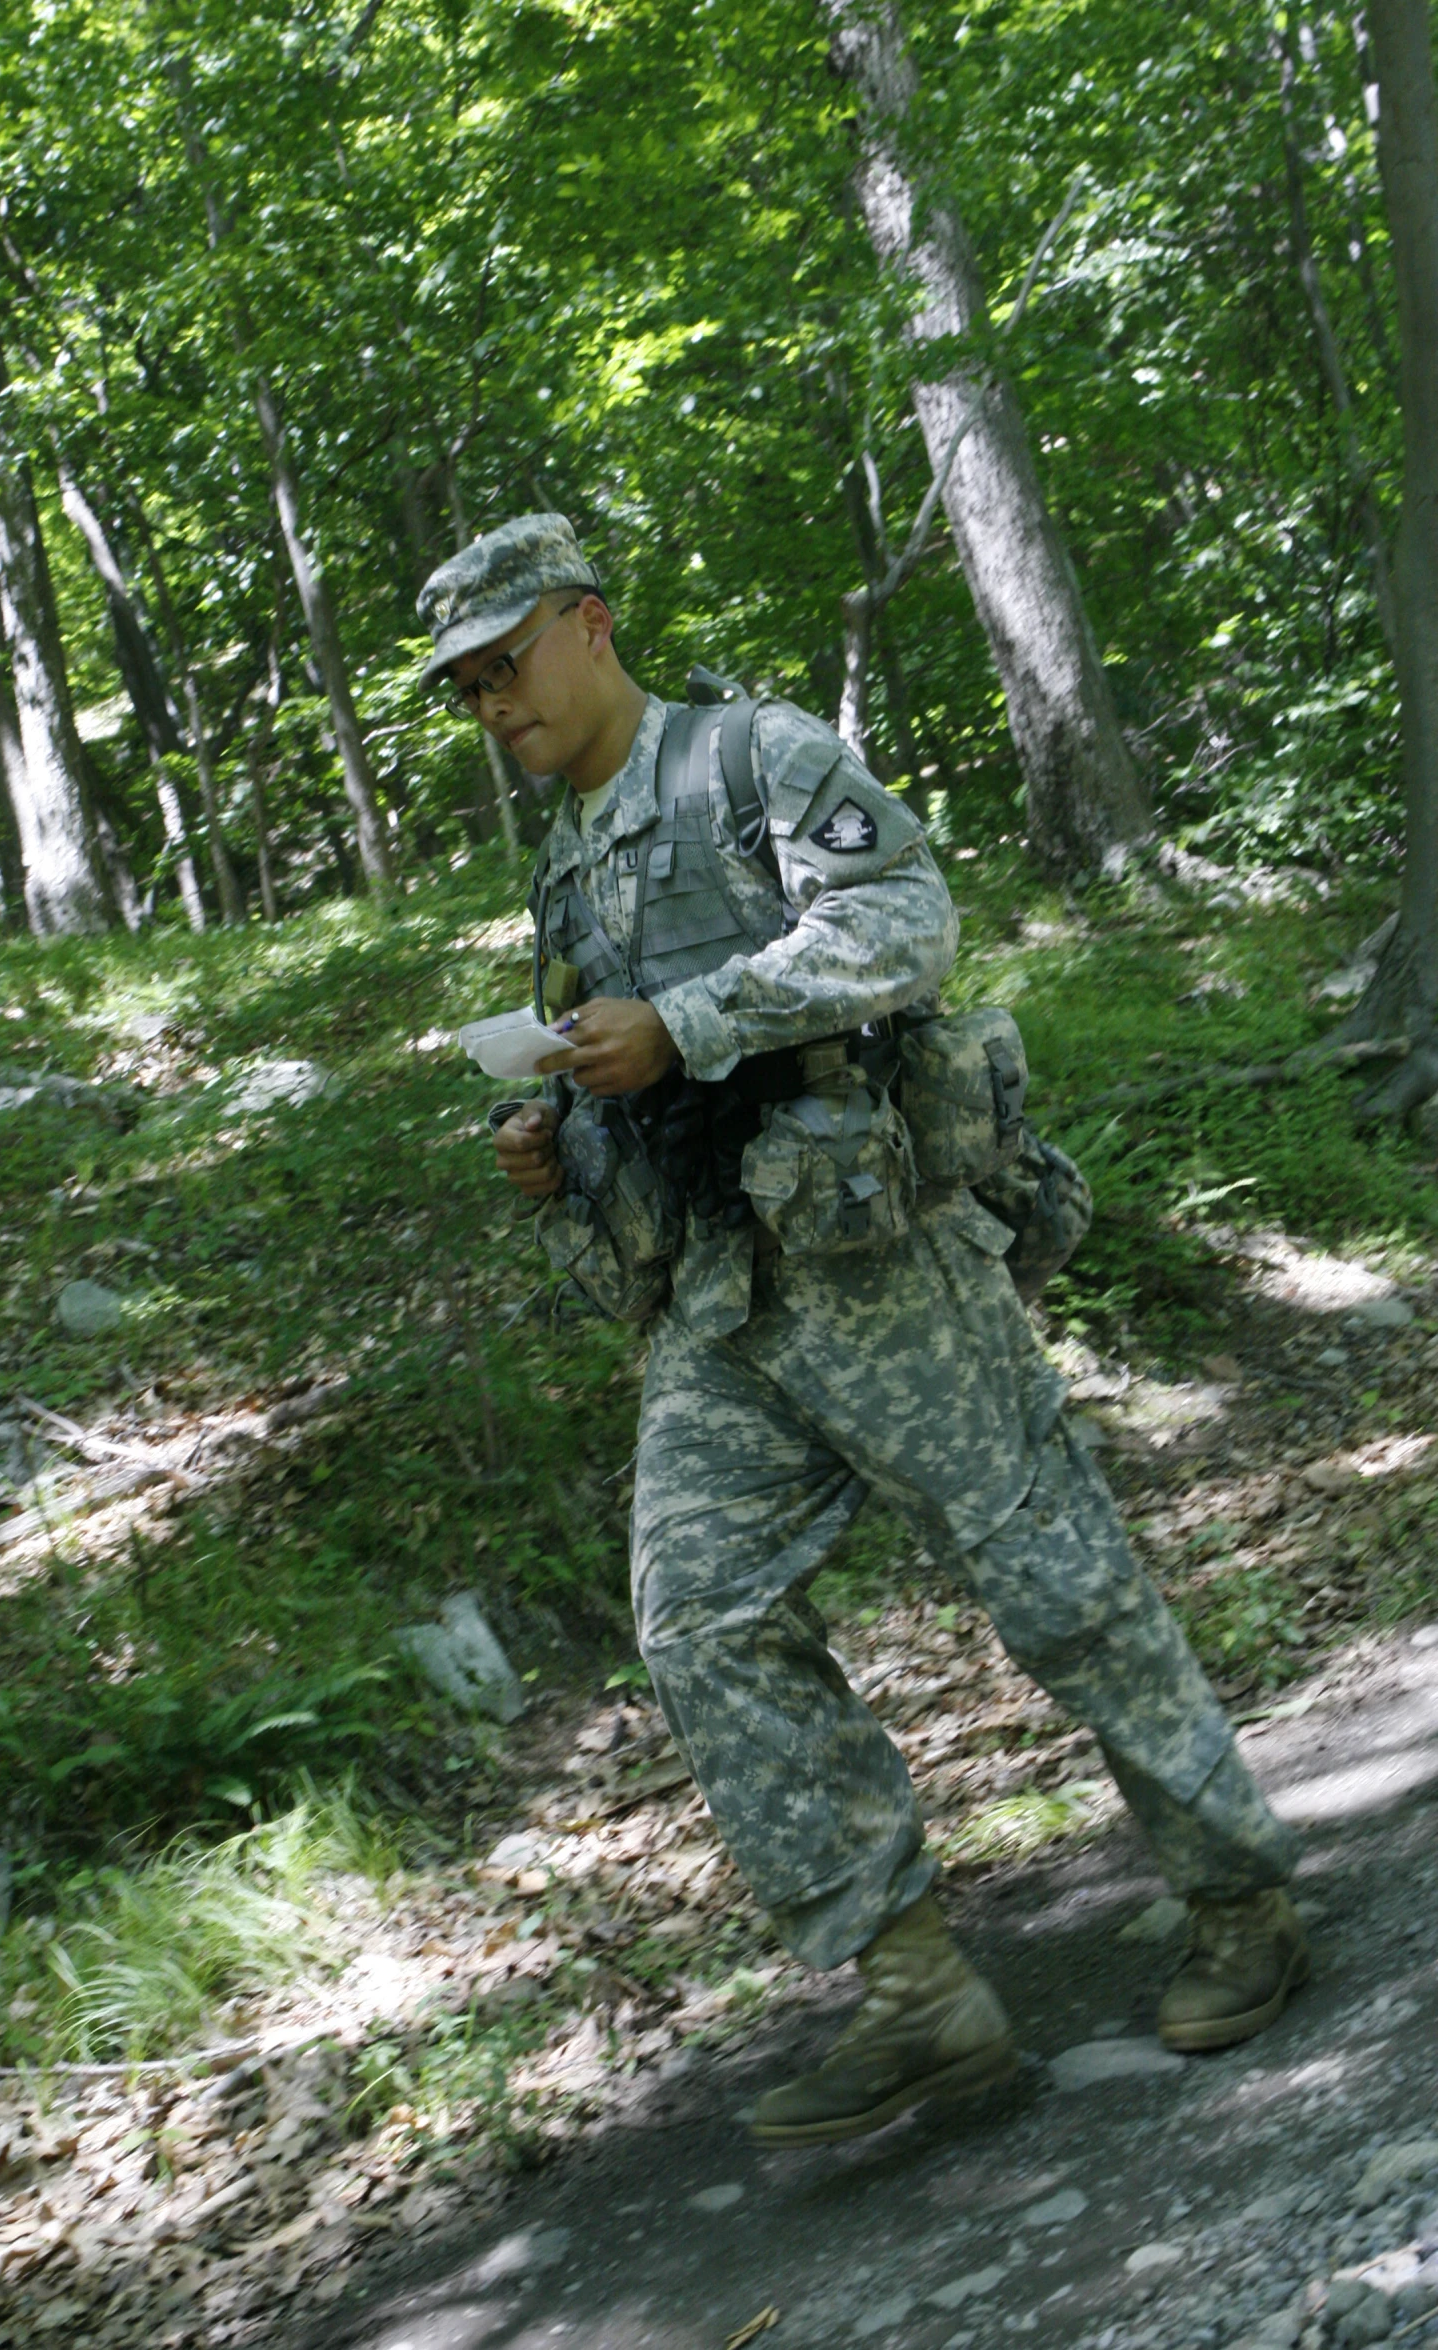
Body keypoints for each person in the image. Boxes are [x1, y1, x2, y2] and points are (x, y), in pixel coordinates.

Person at [417, 513, 1309, 2149]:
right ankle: (917, 1995)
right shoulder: (563, 857)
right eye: (463, 684)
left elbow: (902, 923)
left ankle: (1238, 1896)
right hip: (717, 1295)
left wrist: (682, 1023)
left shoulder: (752, 754)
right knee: (697, 1621)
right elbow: (609, 1063)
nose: (490, 700)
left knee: (1058, 1584)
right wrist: (557, 1138)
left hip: (879, 1257)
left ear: (589, 623)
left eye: (505, 659)